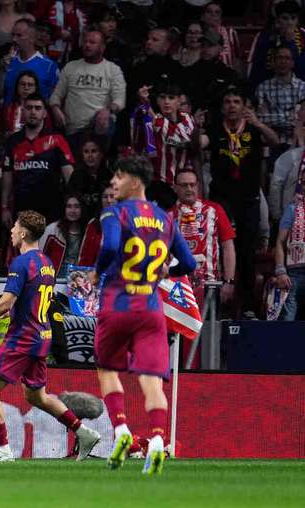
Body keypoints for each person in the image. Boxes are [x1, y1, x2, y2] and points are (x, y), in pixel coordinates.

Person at [0, 210, 101, 462]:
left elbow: (6, 301)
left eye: (14, 227)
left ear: (23, 233)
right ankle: (84, 432)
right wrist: (13, 311)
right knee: (36, 396)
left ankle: (2, 450)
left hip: (22, 338)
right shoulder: (46, 262)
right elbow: (31, 298)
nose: (11, 231)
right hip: (41, 336)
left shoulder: (21, 263)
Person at [91, 156, 196, 475]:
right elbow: (189, 264)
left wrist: (98, 273)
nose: (113, 183)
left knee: (107, 368)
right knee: (152, 381)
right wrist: (166, 270)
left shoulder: (115, 212)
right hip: (151, 308)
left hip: (118, 303)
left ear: (136, 181)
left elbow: (109, 247)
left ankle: (122, 431)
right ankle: (155, 442)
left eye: (118, 177)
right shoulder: (165, 219)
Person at [208, 87, 278, 317]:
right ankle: (221, 304)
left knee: (247, 251)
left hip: (248, 199)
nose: (231, 106)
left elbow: (275, 141)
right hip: (222, 198)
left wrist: (258, 123)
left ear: (244, 106)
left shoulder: (254, 130)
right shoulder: (215, 129)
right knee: (221, 250)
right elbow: (198, 146)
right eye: (227, 101)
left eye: (236, 101)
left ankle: (247, 306)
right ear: (222, 107)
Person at [2, 93, 74, 229]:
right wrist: (4, 207)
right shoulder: (13, 141)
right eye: (29, 108)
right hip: (22, 210)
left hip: (51, 210)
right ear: (23, 111)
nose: (33, 112)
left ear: (45, 113)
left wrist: (72, 205)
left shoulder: (57, 140)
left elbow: (70, 177)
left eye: (37, 108)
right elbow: (7, 176)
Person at [170, 169, 236, 310]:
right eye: (184, 185)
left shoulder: (215, 209)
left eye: (192, 185)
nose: (189, 189)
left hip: (210, 284)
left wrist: (229, 281)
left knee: (208, 329)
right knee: (179, 331)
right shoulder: (167, 215)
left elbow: (228, 246)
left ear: (198, 186)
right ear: (175, 188)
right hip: (176, 285)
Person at [49, 29, 125, 148]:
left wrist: (108, 110)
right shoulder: (71, 67)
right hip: (73, 128)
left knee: (105, 123)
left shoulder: (113, 69)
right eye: (85, 42)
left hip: (98, 127)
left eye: (92, 42)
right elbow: (56, 95)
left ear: (102, 47)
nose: (87, 45)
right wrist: (55, 108)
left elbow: (119, 100)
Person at [132, 80, 196, 209]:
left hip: (184, 183)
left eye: (171, 98)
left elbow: (184, 141)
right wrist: (144, 103)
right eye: (162, 97)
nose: (166, 102)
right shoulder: (153, 121)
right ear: (157, 101)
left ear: (179, 101)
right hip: (159, 184)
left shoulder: (188, 118)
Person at [247, 0, 305, 89]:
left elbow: (301, 70)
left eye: (293, 18)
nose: (289, 22)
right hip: (268, 89)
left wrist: (291, 43)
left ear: (297, 20)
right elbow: (256, 68)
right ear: (278, 20)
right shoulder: (264, 36)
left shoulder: (303, 35)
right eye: (285, 18)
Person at [256, 46, 305, 149]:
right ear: (273, 62)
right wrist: (292, 118)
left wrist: (274, 117)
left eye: (287, 58)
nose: (283, 61)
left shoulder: (303, 88)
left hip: (299, 144)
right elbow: (262, 119)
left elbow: (303, 121)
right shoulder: (263, 88)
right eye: (279, 58)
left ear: (293, 63)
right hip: (272, 144)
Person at [40, 194, 97, 279]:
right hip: (56, 278)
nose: (72, 211)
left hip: (79, 279)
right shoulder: (53, 230)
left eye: (77, 207)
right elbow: (39, 256)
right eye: (69, 207)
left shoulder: (88, 231)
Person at [273, 169, 305, 321]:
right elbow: (280, 242)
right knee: (288, 320)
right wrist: (280, 271)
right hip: (294, 274)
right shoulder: (292, 209)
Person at [3, 18, 59, 104]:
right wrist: (2, 70)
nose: (14, 39)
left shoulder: (49, 66)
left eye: (19, 35)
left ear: (32, 38)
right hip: (9, 115)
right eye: (13, 35)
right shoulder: (7, 62)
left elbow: (55, 99)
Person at [201, 2, 240, 71]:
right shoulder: (197, 33)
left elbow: (236, 60)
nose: (213, 15)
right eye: (209, 11)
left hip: (227, 77)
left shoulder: (230, 32)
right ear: (202, 17)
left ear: (221, 17)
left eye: (217, 12)